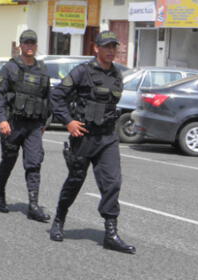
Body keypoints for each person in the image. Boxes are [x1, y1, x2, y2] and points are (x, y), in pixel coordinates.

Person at [49, 31, 136, 254]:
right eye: (106, 46)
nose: (110, 50)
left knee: (112, 183)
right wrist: (68, 122)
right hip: (84, 136)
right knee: (75, 180)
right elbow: (56, 96)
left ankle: (110, 233)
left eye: (113, 47)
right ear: (96, 48)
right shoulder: (81, 72)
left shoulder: (117, 75)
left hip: (107, 137)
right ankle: (59, 219)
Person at [0, 30, 51, 221]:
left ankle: (33, 205)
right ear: (20, 46)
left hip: (33, 125)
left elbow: (48, 98)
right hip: (13, 123)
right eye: (26, 43)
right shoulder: (10, 67)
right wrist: (1, 119)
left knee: (34, 163)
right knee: (8, 160)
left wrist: (44, 123)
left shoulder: (42, 69)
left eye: (32, 43)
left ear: (36, 45)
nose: (29, 46)